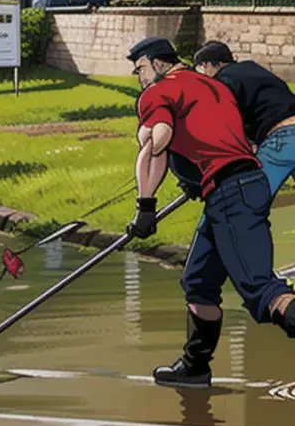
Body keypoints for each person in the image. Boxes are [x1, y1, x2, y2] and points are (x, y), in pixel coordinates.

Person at [126, 36, 295, 388]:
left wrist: (145, 207)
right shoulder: (213, 86)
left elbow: (156, 144)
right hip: (236, 186)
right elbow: (218, 136)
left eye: (140, 68)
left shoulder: (158, 93)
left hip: (232, 193)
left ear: (158, 63)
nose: (137, 75)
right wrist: (194, 176)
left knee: (261, 289)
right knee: (199, 282)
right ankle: (194, 367)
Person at [193, 40, 295, 197]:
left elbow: (226, 122)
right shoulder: (251, 67)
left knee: (246, 197)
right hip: (287, 125)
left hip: (282, 135)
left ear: (207, 65)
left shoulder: (222, 82)